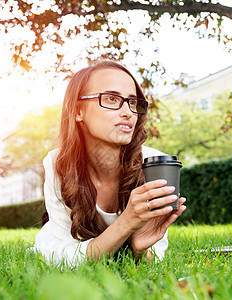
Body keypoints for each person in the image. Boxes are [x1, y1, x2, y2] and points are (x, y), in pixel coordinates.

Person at [32, 61, 186, 266]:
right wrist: (126, 223)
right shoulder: (57, 162)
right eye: (112, 99)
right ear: (78, 110)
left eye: (132, 102)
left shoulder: (154, 164)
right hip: (53, 241)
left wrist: (141, 249)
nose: (128, 112)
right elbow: (65, 257)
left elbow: (154, 259)